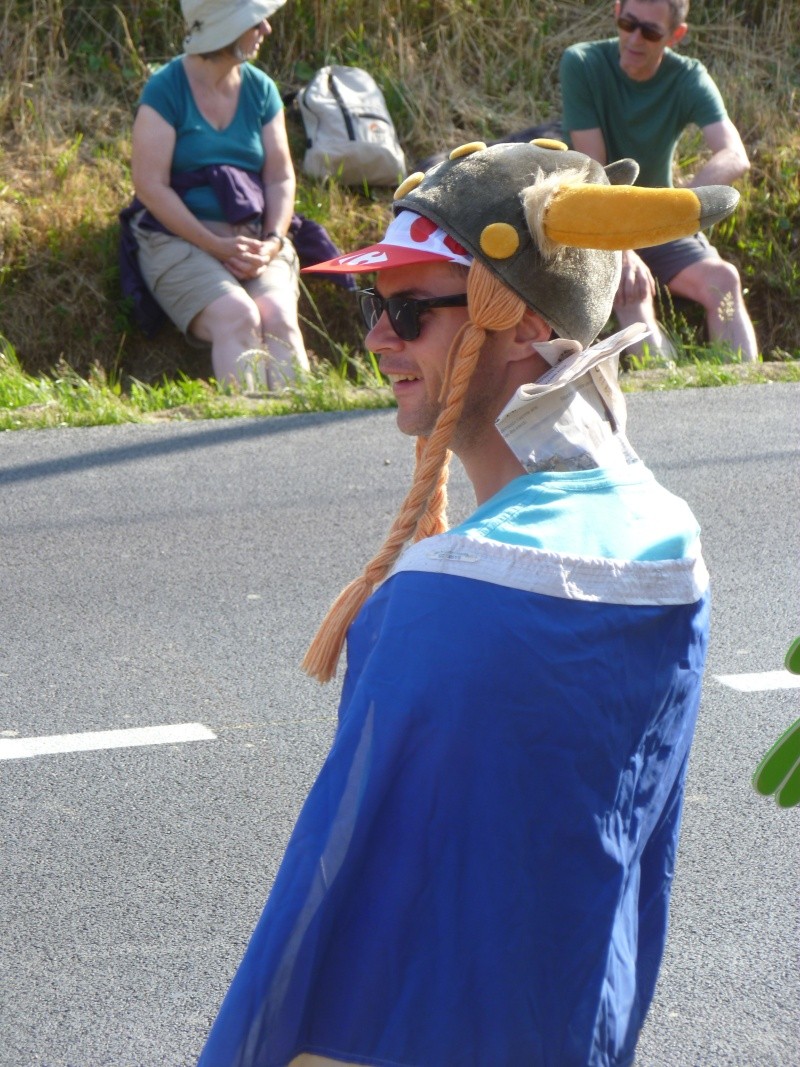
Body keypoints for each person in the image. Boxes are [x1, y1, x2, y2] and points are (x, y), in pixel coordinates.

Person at [196, 139, 739, 1066]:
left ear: (521, 323)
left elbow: (342, 923)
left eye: (407, 310)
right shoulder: (666, 533)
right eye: (374, 302)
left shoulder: (446, 596)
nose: (375, 338)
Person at [560, 0, 758, 363]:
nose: (634, 38)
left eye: (650, 32)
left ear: (675, 35)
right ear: (616, 11)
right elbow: (596, 171)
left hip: (658, 218)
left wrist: (680, 209)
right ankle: (668, 390)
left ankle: (745, 391)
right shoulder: (582, 63)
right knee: (632, 295)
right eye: (627, 23)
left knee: (724, 281)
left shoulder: (687, 76)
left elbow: (734, 155)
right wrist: (622, 248)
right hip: (599, 217)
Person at [127, 0, 309, 389]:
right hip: (178, 240)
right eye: (255, 20)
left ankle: (301, 436)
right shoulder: (165, 89)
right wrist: (214, 244)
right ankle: (245, 436)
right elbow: (150, 186)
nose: (266, 29)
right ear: (226, 28)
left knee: (277, 315)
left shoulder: (261, 89)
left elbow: (279, 177)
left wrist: (274, 242)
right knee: (237, 315)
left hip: (257, 236)